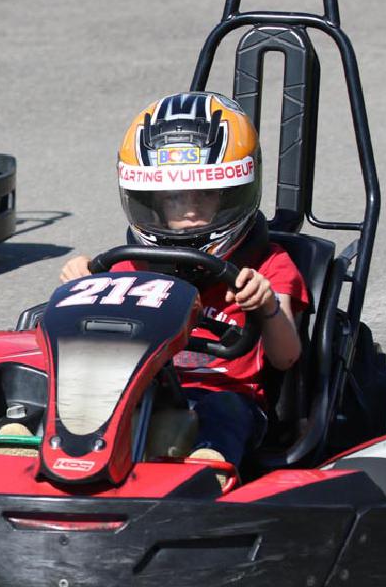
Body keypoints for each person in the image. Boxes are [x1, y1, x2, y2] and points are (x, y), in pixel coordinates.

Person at [58, 91, 308, 472]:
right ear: (152, 201)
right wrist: (78, 288)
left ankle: (207, 473)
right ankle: (33, 443)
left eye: (205, 196)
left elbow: (286, 356)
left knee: (217, 412)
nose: (190, 214)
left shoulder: (269, 266)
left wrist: (268, 306)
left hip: (224, 395)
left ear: (230, 196)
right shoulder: (129, 266)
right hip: (136, 390)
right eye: (175, 199)